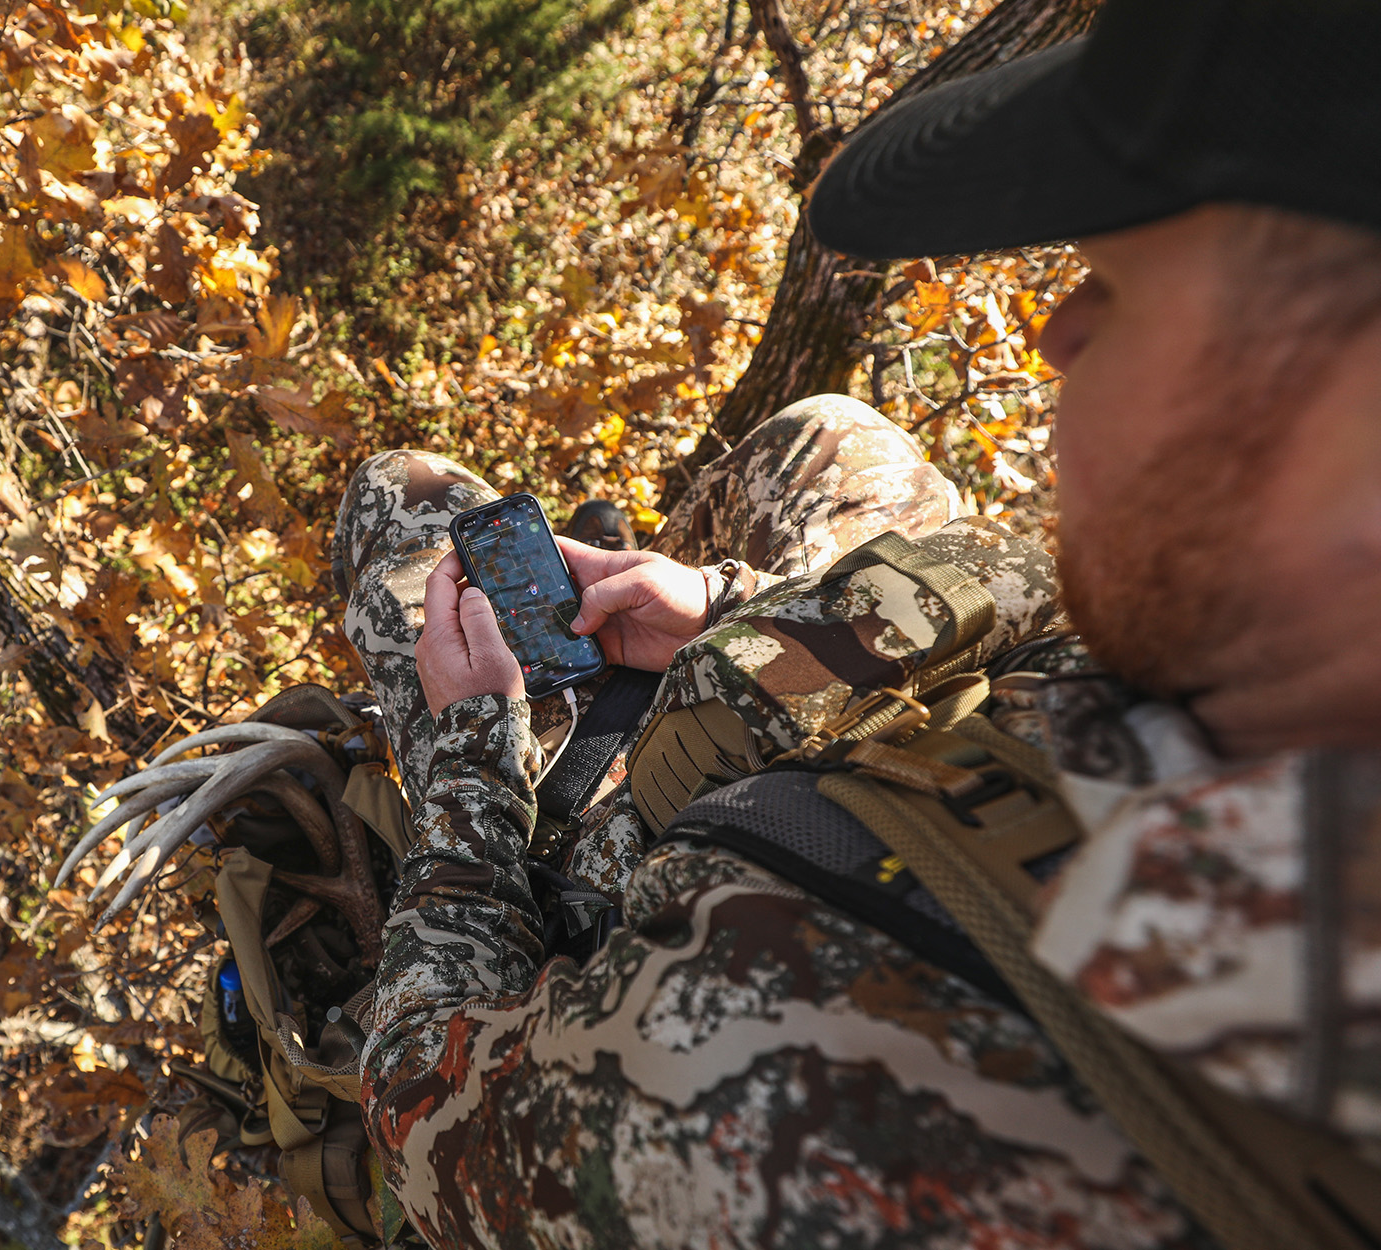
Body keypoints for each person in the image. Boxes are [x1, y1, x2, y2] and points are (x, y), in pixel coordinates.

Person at [332, 0, 1381, 1245]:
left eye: (1114, 287)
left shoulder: (795, 1069)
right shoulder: (1272, 678)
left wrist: (467, 770)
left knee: (404, 502)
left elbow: (423, 1117)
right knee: (832, 431)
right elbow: (1036, 600)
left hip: (619, 910)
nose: (1059, 335)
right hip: (797, 756)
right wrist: (741, 617)